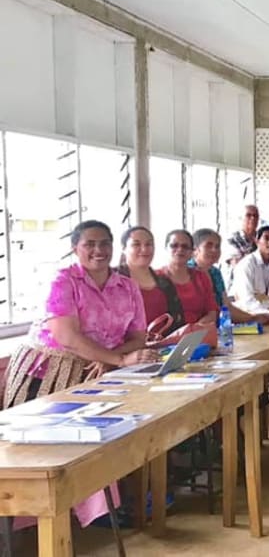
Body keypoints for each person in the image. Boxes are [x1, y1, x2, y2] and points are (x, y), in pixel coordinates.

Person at [3, 221, 157, 528]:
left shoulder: (126, 286)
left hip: (103, 371)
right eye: (90, 244)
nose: (98, 251)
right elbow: (66, 336)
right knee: (61, 447)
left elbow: (138, 335)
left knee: (106, 436)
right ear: (76, 249)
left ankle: (100, 508)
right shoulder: (63, 281)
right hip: (50, 374)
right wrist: (117, 358)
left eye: (105, 243)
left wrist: (116, 360)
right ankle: (54, 518)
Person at [189, 229, 269, 326]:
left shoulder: (215, 273)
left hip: (216, 331)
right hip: (192, 333)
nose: (214, 250)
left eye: (217, 246)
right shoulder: (187, 272)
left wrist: (253, 318)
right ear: (195, 250)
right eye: (209, 245)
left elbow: (226, 307)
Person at [119, 226, 185, 329]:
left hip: (162, 343)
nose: (144, 249)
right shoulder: (113, 280)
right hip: (125, 344)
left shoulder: (165, 282)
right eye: (136, 244)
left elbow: (177, 320)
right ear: (123, 248)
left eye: (149, 244)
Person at [158, 229, 219, 327]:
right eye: (174, 245)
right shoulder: (155, 278)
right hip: (164, 337)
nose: (180, 250)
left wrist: (193, 331)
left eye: (185, 247)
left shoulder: (201, 277)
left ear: (192, 251)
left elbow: (212, 313)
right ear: (165, 248)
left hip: (196, 336)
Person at [230, 226, 269, 313]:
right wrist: (266, 314)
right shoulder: (247, 265)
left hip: (262, 312)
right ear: (257, 241)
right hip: (242, 313)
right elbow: (246, 300)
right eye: (266, 238)